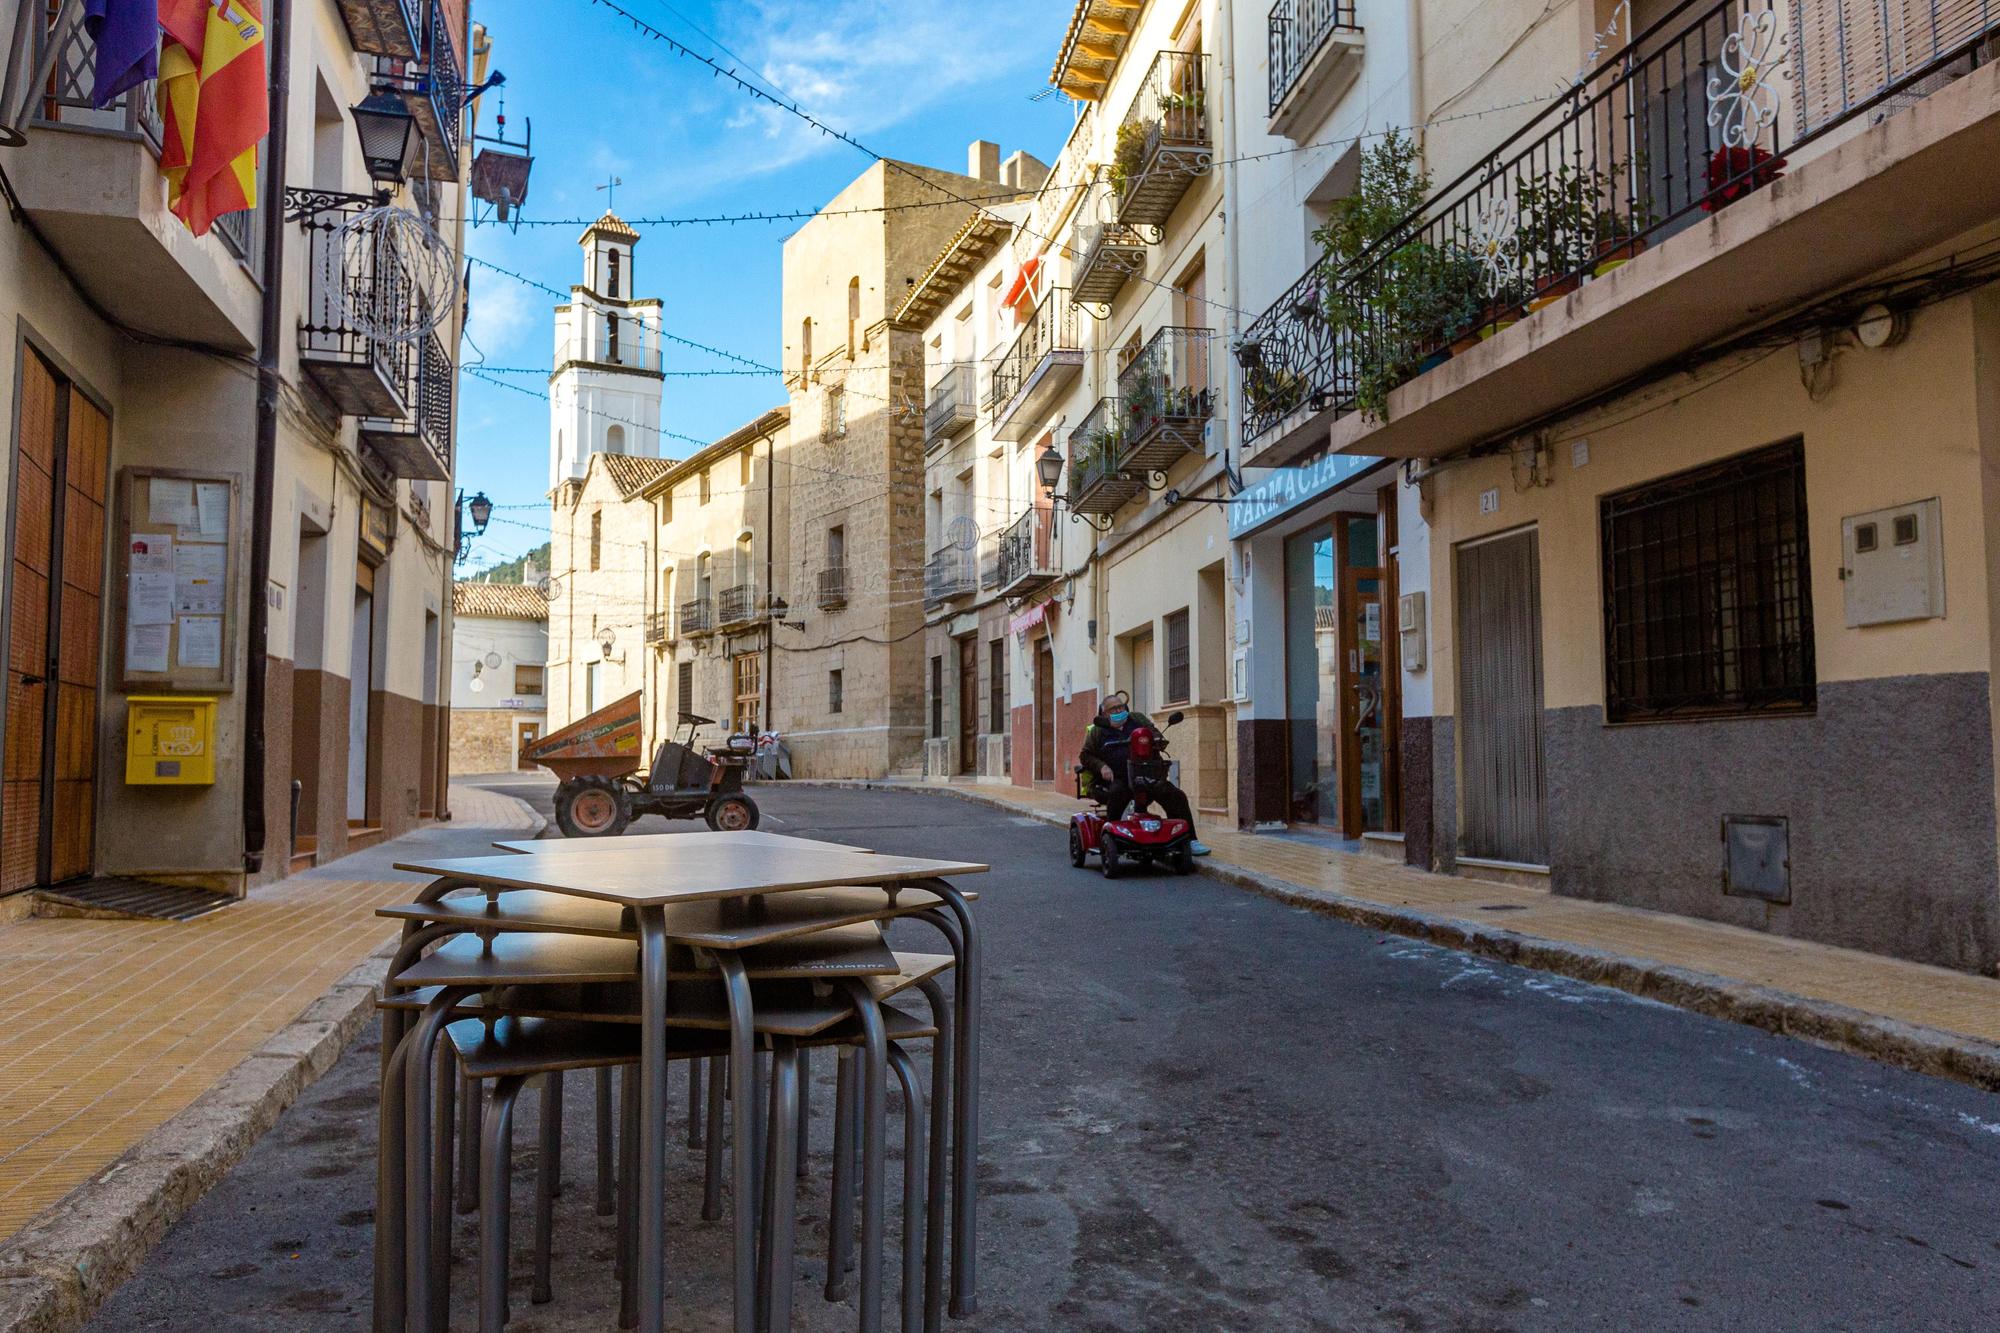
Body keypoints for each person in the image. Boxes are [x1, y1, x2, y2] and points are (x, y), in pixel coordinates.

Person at [1078, 692, 1209, 855]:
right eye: (1114, 709)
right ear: (1104, 714)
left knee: (1176, 796)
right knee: (1116, 793)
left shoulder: (1137, 719)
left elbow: (1153, 732)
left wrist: (1157, 739)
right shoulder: (1098, 731)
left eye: (1121, 706)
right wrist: (1102, 767)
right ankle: (1111, 838)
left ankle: (1190, 840)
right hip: (1118, 778)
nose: (1119, 710)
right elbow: (1085, 755)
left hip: (1145, 774)